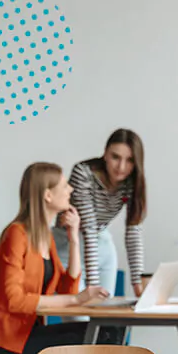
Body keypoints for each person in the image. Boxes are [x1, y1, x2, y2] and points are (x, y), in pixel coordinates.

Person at [0, 163, 113, 354]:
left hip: (27, 334)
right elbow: (14, 300)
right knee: (99, 337)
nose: (71, 190)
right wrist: (76, 299)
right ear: (48, 195)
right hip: (1, 342)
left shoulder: (45, 237)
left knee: (107, 331)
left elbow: (68, 289)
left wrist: (74, 238)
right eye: (65, 186)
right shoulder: (16, 235)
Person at [54, 128, 147, 298]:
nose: (121, 167)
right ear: (105, 153)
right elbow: (88, 227)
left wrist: (138, 283)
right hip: (69, 247)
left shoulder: (131, 182)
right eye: (115, 157)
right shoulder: (83, 173)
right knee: (79, 321)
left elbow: (134, 230)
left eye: (130, 160)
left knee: (104, 316)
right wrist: (93, 284)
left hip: (103, 246)